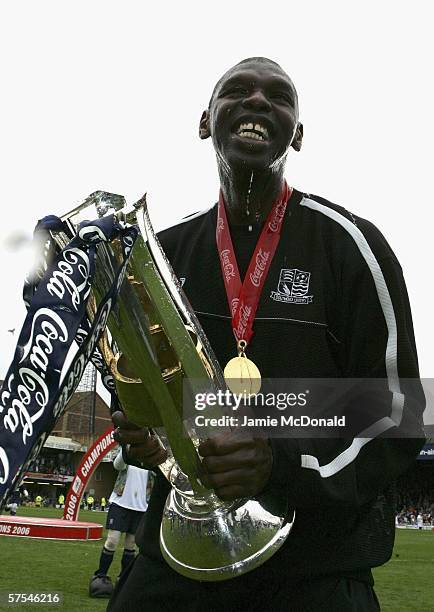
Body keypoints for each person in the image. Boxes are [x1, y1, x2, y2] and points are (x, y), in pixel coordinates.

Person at [107, 57, 426, 611]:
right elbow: (142, 391)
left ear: (297, 135)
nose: (257, 102)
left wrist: (281, 462)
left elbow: (398, 413)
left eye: (278, 97)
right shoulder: (162, 255)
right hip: (176, 563)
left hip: (316, 571)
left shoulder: (351, 246)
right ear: (206, 121)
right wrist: (143, 431)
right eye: (237, 91)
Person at [89, 448, 149, 598]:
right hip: (120, 502)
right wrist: (125, 447)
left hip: (141, 506)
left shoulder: (149, 453)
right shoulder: (127, 450)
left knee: (131, 545)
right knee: (112, 541)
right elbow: (118, 465)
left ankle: (123, 578)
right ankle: (100, 575)